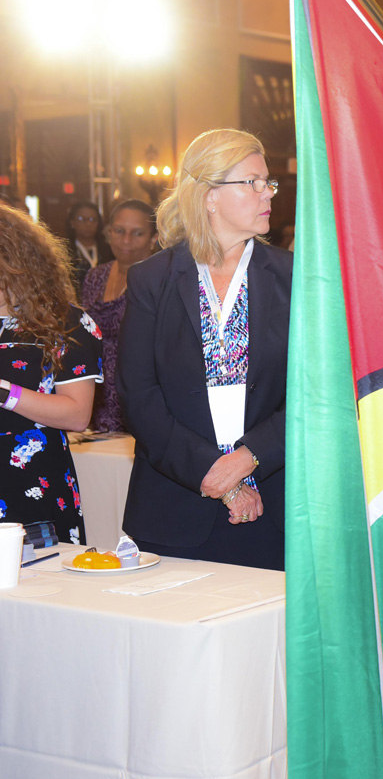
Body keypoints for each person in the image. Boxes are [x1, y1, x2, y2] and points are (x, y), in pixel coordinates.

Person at [118, 128, 292, 571]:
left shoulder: (296, 278)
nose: (268, 193)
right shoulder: (151, 279)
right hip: (174, 504)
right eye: (252, 182)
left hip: (273, 502)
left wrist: (248, 458)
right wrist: (215, 474)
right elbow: (139, 397)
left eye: (268, 182)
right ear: (209, 196)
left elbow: (317, 391)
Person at [0, 203, 102, 545]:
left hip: (31, 483)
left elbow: (77, 414)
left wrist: (5, 393)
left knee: (38, 576)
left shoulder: (65, 323)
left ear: (15, 262)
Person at [79, 199, 158, 432]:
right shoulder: (95, 276)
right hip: (93, 391)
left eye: (137, 233)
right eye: (119, 231)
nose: (126, 241)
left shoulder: (158, 280)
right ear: (109, 232)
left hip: (137, 393)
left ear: (153, 238)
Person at [65, 201, 113, 292]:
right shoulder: (65, 251)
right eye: (81, 219)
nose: (88, 224)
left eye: (92, 219)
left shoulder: (108, 250)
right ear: (72, 222)